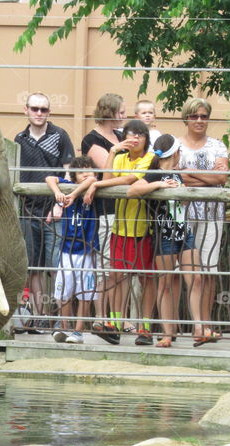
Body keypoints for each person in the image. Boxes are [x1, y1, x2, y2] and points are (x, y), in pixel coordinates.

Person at [127, 134, 219, 347]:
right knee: (166, 283)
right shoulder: (153, 174)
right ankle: (168, 333)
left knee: (195, 278)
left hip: (184, 231)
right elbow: (133, 190)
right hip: (164, 235)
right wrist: (159, 185)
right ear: (175, 152)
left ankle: (199, 326)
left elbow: (181, 200)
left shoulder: (177, 174)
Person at [86, 119, 157, 345]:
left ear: (146, 138)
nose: (134, 139)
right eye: (130, 134)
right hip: (121, 228)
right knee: (118, 278)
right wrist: (113, 151)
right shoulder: (120, 156)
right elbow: (109, 178)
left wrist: (96, 185)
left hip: (145, 229)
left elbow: (129, 180)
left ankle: (145, 328)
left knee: (147, 280)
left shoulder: (150, 158)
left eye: (139, 135)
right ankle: (115, 325)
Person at [15, 92, 76, 331]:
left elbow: (69, 173)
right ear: (26, 110)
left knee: (57, 266)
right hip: (28, 211)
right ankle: (40, 317)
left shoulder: (60, 136)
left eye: (43, 109)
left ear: (49, 112)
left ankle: (62, 319)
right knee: (34, 266)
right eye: (34, 109)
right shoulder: (19, 139)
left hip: (55, 212)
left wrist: (60, 204)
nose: (39, 113)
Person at [178, 97, 230, 331]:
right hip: (184, 215)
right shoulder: (177, 146)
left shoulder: (218, 145)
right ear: (186, 118)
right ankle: (191, 324)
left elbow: (222, 178)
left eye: (204, 116)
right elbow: (178, 176)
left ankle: (206, 324)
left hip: (212, 214)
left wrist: (192, 173)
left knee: (208, 271)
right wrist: (207, 174)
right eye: (194, 116)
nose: (199, 120)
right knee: (189, 273)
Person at [81, 93, 125, 344]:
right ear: (109, 112)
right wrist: (116, 150)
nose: (125, 116)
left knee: (118, 268)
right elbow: (107, 175)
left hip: (124, 212)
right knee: (104, 267)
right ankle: (100, 318)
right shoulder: (92, 139)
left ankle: (116, 319)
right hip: (104, 212)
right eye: (121, 111)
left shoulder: (120, 136)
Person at [45, 156, 99, 344]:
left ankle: (78, 331)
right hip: (67, 248)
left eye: (89, 169)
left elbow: (92, 180)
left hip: (87, 249)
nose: (86, 174)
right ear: (73, 175)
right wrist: (58, 193)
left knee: (85, 291)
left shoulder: (93, 185)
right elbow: (50, 179)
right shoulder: (67, 184)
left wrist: (74, 195)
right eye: (81, 171)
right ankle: (64, 326)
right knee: (64, 290)